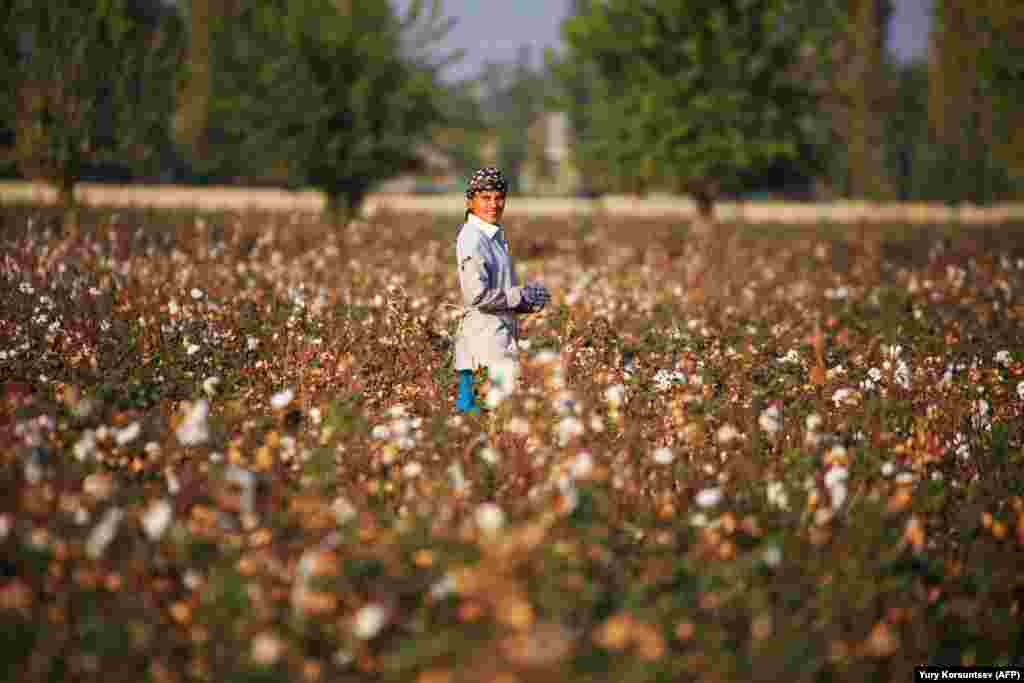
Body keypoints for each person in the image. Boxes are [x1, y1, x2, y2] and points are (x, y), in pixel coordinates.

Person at [453, 167, 550, 414]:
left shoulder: (492, 236)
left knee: (493, 420)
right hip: (485, 346)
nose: (493, 205)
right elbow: (478, 296)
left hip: (495, 339)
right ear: (470, 201)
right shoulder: (473, 238)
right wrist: (521, 296)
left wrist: (526, 303)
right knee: (494, 419)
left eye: (499, 198)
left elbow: (496, 291)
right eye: (486, 198)